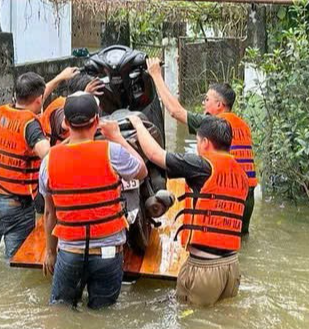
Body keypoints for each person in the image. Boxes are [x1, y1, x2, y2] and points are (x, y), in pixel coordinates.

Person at [39, 92, 147, 309]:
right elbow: (142, 171)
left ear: (66, 123)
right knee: (103, 317)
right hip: (108, 255)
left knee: (61, 311)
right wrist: (117, 137)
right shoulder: (112, 152)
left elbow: (49, 213)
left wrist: (50, 252)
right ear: (97, 121)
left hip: (70, 254)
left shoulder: (49, 160)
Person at [128, 114, 247, 307]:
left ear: (206, 142)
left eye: (198, 141)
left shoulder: (203, 166)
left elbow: (155, 155)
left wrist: (137, 123)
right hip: (231, 267)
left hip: (205, 269)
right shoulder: (239, 173)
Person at [146, 57, 259, 234]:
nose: (203, 103)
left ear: (219, 105)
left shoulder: (212, 124)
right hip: (247, 196)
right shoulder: (242, 125)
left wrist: (155, 75)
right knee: (236, 241)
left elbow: (175, 111)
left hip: (226, 196)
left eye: (207, 99)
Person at [0, 67, 77, 259]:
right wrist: (73, 139)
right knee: (17, 262)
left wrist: (59, 78)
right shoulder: (30, 125)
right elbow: (47, 154)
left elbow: (33, 98)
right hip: (15, 205)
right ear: (39, 100)